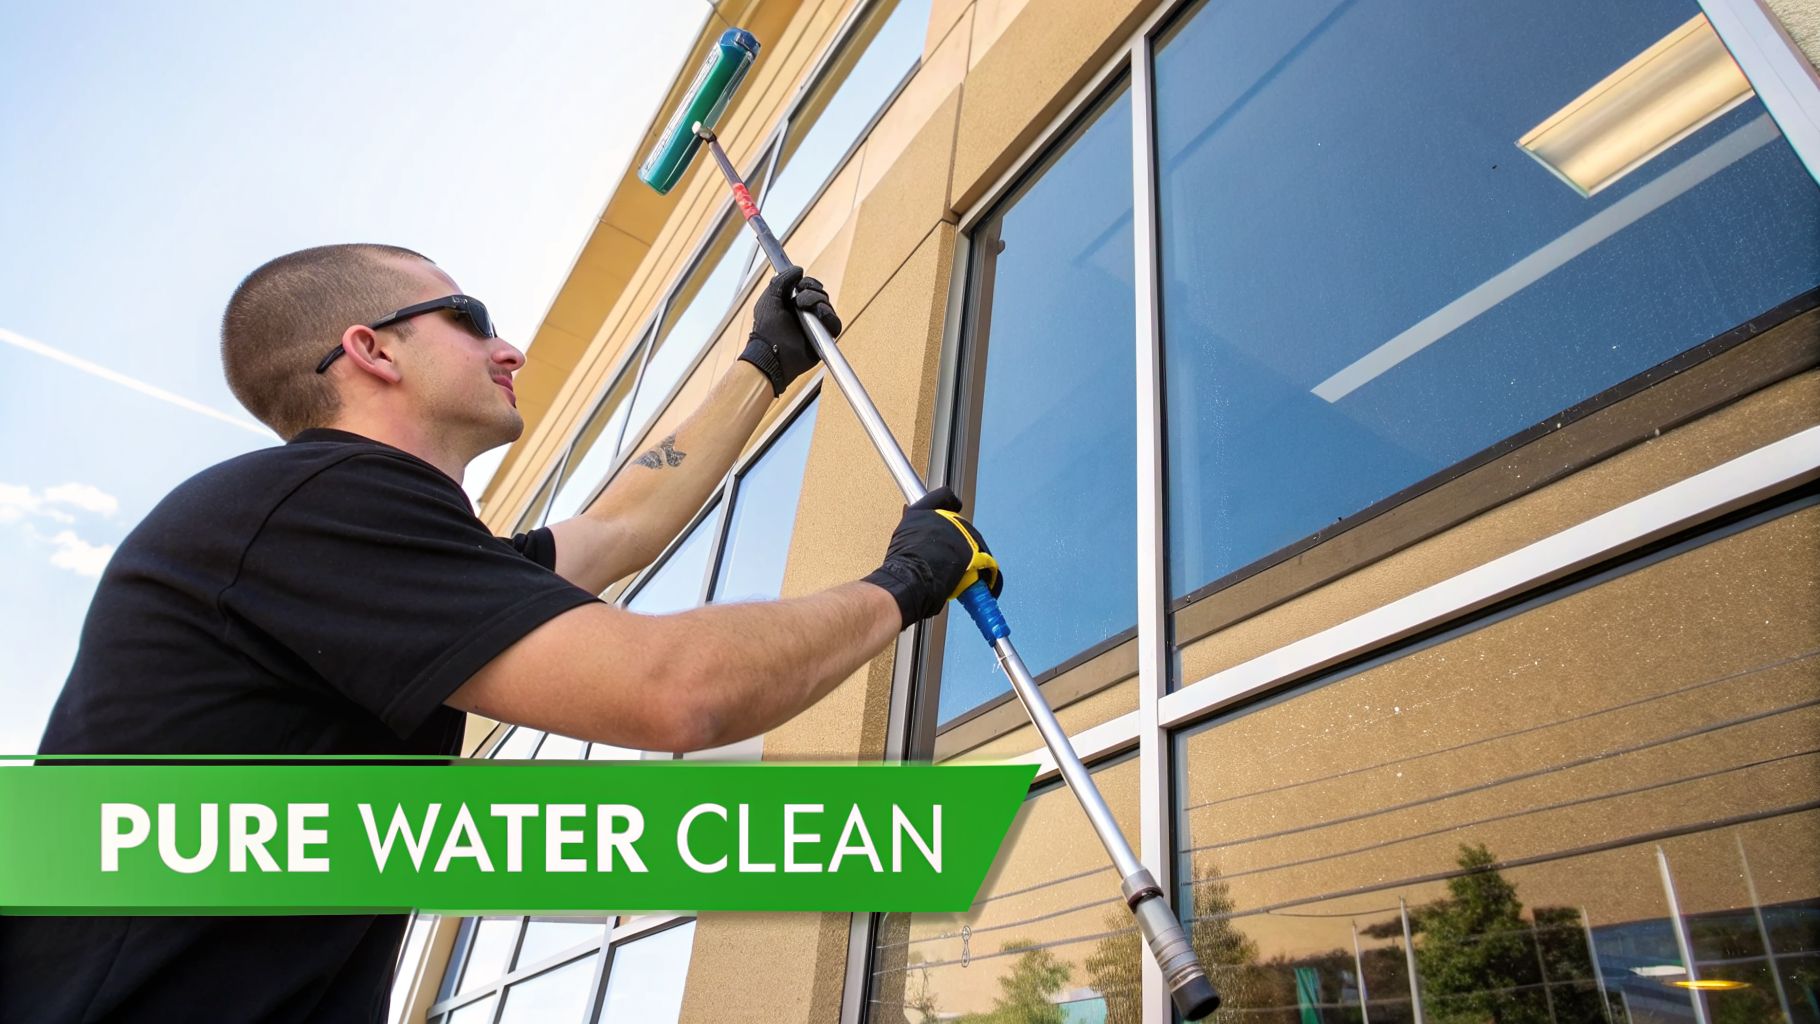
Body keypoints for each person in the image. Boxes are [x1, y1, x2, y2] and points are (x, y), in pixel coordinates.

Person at [0, 243, 1000, 1022]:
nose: (507, 346)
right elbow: (677, 691)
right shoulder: (313, 508)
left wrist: (762, 362)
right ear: (370, 348)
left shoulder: (360, 544)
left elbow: (618, 527)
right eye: (467, 318)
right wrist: (904, 582)